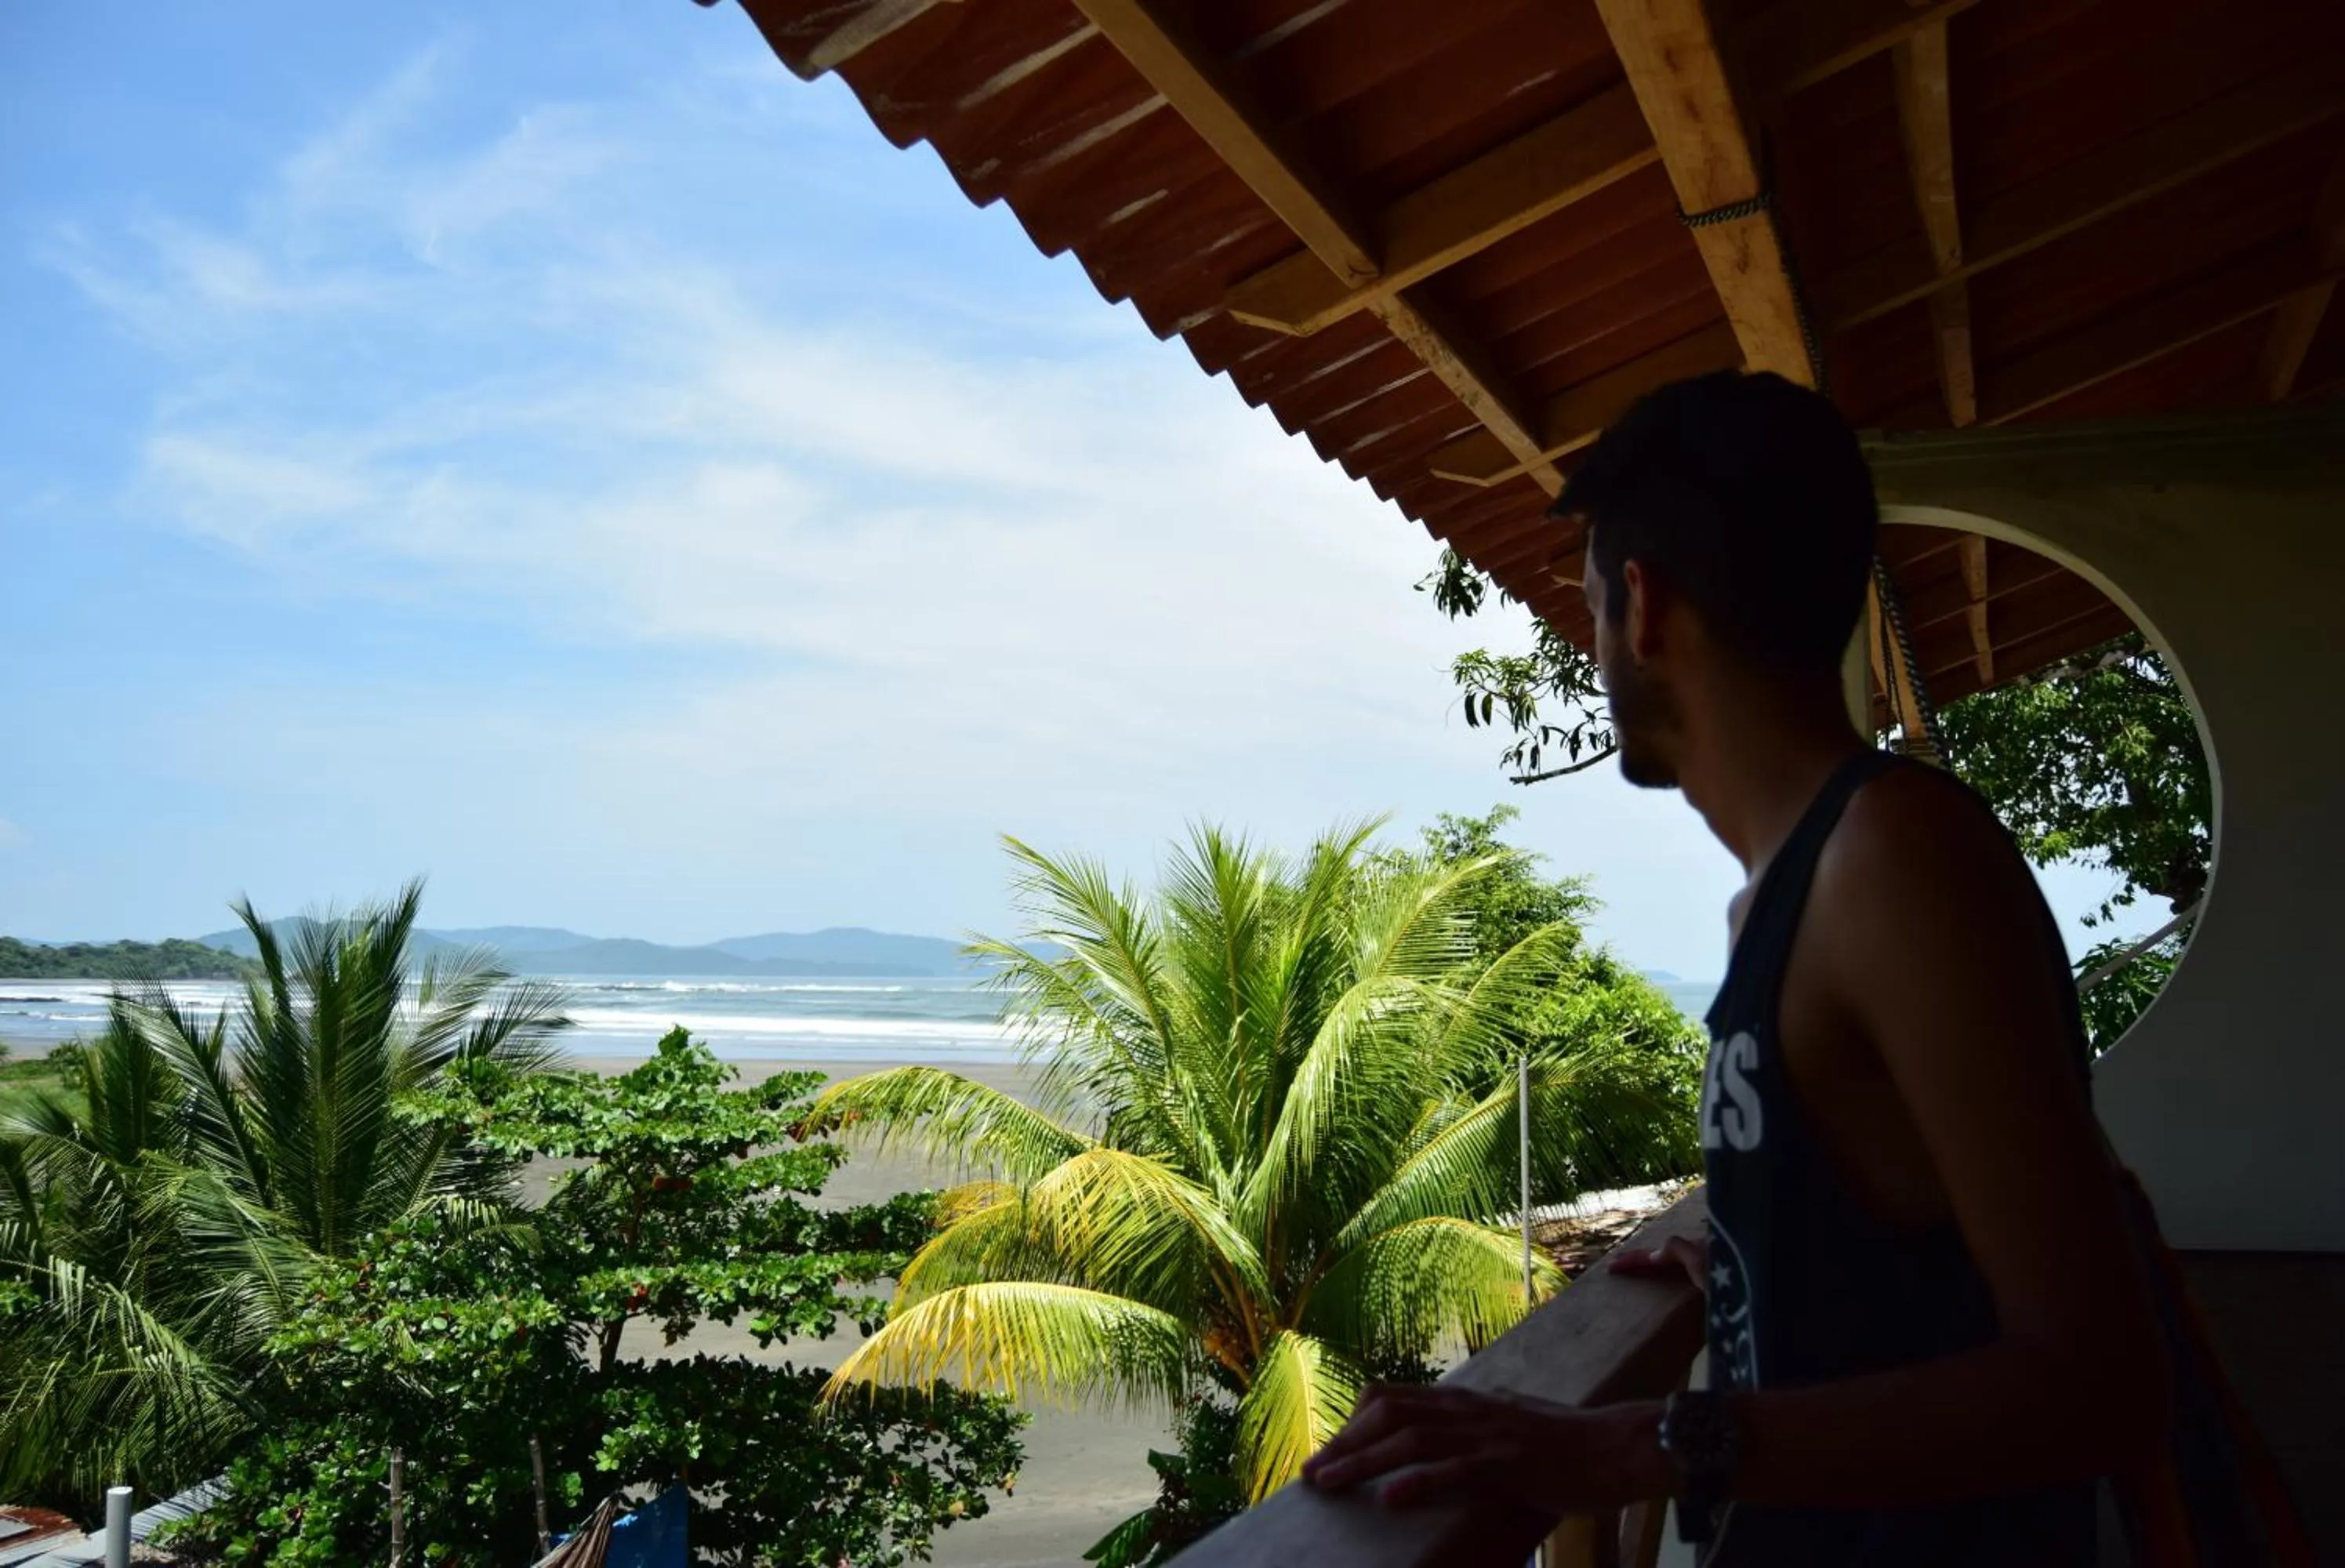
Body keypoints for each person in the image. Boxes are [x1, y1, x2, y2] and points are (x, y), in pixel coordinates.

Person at [1301, 371, 2171, 1564]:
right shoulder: (1793, 886)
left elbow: (2100, 1379)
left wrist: (1620, 1448)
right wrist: (1765, 1242)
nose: (1597, 641)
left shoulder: (1890, 862)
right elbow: (1910, 1215)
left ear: (1643, 607)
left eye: (1591, 602)